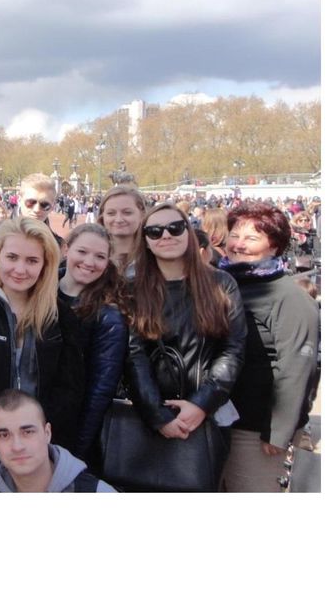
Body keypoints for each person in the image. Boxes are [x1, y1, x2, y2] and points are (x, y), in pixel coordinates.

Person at [121, 202, 246, 490]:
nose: (165, 236)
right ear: (147, 242)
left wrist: (201, 404)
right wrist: (157, 414)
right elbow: (133, 354)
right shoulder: (132, 287)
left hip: (206, 412)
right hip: (148, 413)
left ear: (189, 233)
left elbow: (233, 349)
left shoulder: (221, 283)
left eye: (175, 228)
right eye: (154, 231)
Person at [0, 216, 83, 478]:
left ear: (45, 265)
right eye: (12, 257)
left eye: (32, 261)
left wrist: (38, 433)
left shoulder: (60, 316)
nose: (20, 269)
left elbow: (70, 386)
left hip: (43, 444)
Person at [221, 201, 320, 492]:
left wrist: (277, 433)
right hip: (216, 424)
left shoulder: (290, 297)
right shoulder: (222, 284)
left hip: (255, 431)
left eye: (251, 238)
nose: (239, 244)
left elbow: (296, 367)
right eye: (235, 235)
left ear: (274, 247)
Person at [58, 223, 128, 463]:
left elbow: (100, 391)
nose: (89, 262)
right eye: (82, 252)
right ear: (67, 250)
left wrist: (76, 452)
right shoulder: (40, 290)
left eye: (100, 256)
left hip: (71, 428)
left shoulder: (108, 316)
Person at [0, 390, 117, 493]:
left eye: (27, 432)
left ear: (47, 433)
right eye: (4, 435)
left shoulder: (97, 492)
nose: (17, 446)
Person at [98, 183, 147, 276]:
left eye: (127, 213)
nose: (119, 219)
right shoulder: (88, 256)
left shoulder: (155, 257)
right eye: (111, 213)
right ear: (102, 216)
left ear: (142, 215)